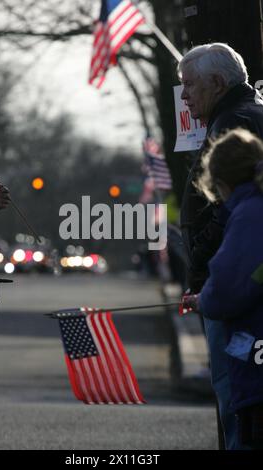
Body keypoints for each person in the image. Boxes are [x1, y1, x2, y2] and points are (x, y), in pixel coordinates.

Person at [178, 43, 263, 449]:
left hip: (238, 306)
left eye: (189, 84)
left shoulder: (234, 125)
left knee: (236, 399)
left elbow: (226, 216)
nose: (184, 95)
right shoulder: (242, 115)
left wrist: (204, 271)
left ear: (217, 82)